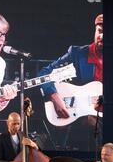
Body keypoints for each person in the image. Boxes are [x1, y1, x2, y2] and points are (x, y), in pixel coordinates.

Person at [38, 14, 103, 150]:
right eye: (99, 31)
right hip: (80, 118)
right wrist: (54, 96)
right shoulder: (77, 54)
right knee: (91, 123)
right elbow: (44, 73)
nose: (101, 36)